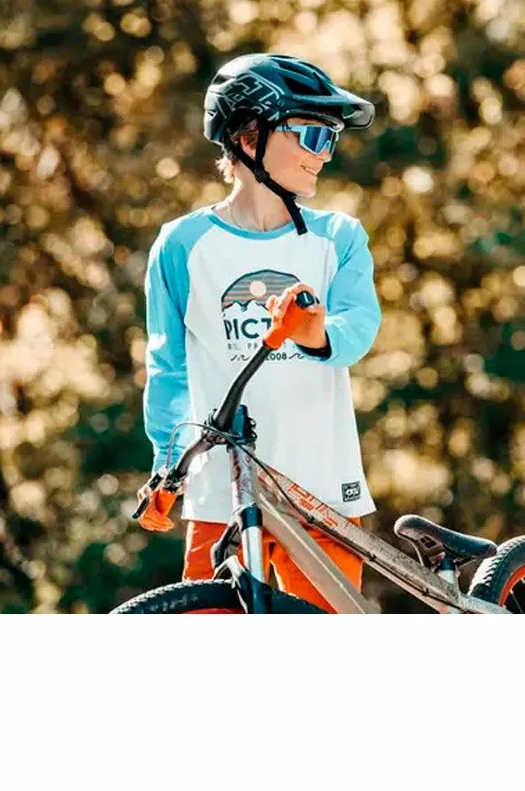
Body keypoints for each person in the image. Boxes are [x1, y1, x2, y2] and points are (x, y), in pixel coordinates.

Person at [138, 53, 381, 612]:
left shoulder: (338, 238)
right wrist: (166, 469)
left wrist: (316, 334)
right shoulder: (181, 246)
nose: (325, 154)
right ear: (249, 136)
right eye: (312, 135)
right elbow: (169, 371)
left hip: (322, 488)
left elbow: (359, 326)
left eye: (331, 139)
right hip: (220, 493)